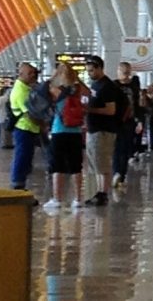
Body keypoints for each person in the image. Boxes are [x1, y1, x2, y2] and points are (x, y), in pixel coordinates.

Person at [84, 56, 125, 207]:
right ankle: (99, 192)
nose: (90, 73)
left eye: (92, 70)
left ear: (100, 68)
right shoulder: (95, 84)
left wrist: (90, 109)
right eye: (88, 71)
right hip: (94, 129)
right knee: (95, 163)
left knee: (102, 163)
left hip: (103, 130)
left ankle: (103, 193)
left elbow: (110, 110)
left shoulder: (106, 86)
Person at [44, 64, 86, 210]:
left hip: (59, 130)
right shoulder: (77, 89)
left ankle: (57, 199)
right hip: (75, 132)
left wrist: (53, 76)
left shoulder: (56, 90)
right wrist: (77, 78)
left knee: (57, 166)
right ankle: (78, 199)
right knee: (76, 166)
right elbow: (89, 93)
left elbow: (45, 90)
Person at [9, 62, 41, 191]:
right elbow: (29, 113)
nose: (33, 75)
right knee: (22, 156)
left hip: (29, 128)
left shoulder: (26, 87)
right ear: (20, 74)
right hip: (24, 128)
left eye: (33, 72)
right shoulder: (20, 91)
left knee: (26, 157)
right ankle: (18, 184)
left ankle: (21, 182)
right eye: (30, 73)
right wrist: (41, 124)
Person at [112, 62, 140, 189]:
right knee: (116, 148)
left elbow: (137, 104)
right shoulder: (113, 85)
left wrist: (139, 120)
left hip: (129, 121)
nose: (125, 74)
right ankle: (116, 172)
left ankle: (121, 174)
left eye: (127, 72)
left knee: (126, 148)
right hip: (115, 121)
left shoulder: (134, 86)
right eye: (123, 71)